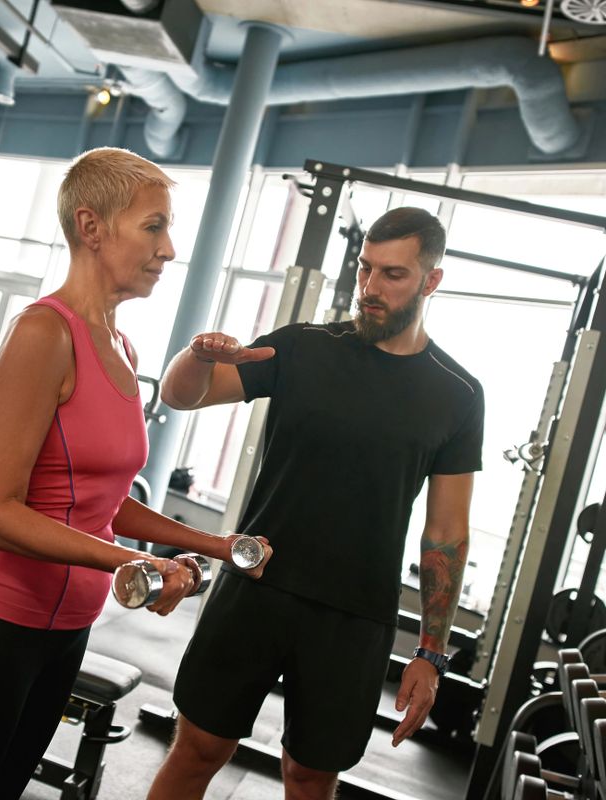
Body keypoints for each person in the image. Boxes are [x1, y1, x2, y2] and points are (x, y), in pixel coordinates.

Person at [0, 147, 272, 799]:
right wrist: (134, 566)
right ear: (92, 227)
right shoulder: (46, 333)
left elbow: (105, 502)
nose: (170, 248)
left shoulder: (123, 346)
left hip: (68, 627)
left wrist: (208, 543)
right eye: (153, 226)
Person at [147, 207, 484, 800]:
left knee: (309, 779)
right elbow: (181, 396)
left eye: (393, 275)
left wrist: (430, 652)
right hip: (256, 585)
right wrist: (199, 355)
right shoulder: (303, 346)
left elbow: (447, 534)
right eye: (365, 269)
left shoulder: (457, 394)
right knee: (198, 750)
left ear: (431, 281)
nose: (371, 288)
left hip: (354, 618)